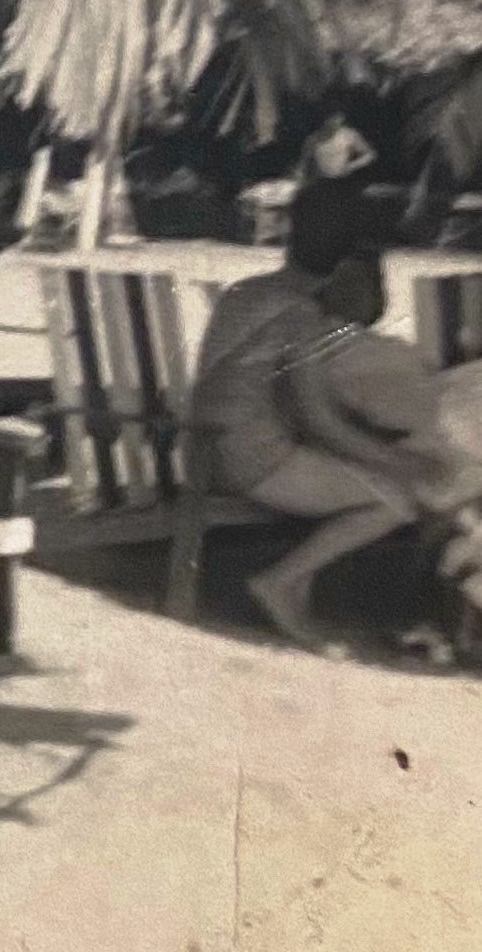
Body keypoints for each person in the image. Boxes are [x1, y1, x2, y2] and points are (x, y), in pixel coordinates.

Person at [193, 178, 482, 650]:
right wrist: (402, 463)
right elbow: (321, 423)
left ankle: (298, 588)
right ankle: (280, 582)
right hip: (253, 461)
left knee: (392, 474)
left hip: (209, 449)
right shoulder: (303, 314)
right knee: (395, 498)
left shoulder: (249, 291)